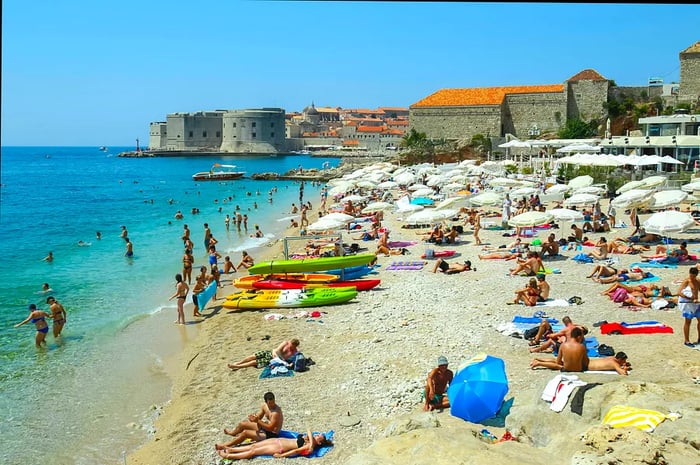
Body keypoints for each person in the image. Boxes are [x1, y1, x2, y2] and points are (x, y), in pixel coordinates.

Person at [216, 392, 284, 449]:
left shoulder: (276, 413)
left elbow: (271, 427)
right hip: (265, 428)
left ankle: (226, 445)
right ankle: (232, 433)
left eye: (273, 402)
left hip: (272, 434)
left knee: (245, 433)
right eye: (270, 403)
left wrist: (257, 421)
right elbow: (259, 416)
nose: (272, 405)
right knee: (242, 424)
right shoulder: (264, 406)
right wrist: (254, 418)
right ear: (266, 402)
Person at [217, 429, 331, 460]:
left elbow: (296, 451)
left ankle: (229, 455)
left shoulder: (309, 447)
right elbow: (309, 429)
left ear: (319, 442)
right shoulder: (309, 440)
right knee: (254, 446)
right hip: (278, 440)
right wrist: (311, 440)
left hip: (279, 447)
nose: (316, 435)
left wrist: (281, 456)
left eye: (318, 436)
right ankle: (232, 450)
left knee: (254, 451)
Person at [228, 339, 300, 370]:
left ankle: (237, 366)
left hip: (272, 359)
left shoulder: (294, 351)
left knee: (254, 362)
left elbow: (292, 359)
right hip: (271, 353)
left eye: (292, 346)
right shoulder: (286, 343)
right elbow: (278, 350)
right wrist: (282, 359)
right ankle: (239, 362)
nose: (290, 346)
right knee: (253, 356)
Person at [676, 267, 700, 347]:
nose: (692, 278)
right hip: (688, 304)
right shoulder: (686, 281)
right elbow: (679, 292)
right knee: (688, 322)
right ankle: (687, 340)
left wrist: (696, 299)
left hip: (696, 304)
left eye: (693, 276)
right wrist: (689, 298)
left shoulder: (698, 281)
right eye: (691, 276)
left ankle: (699, 338)